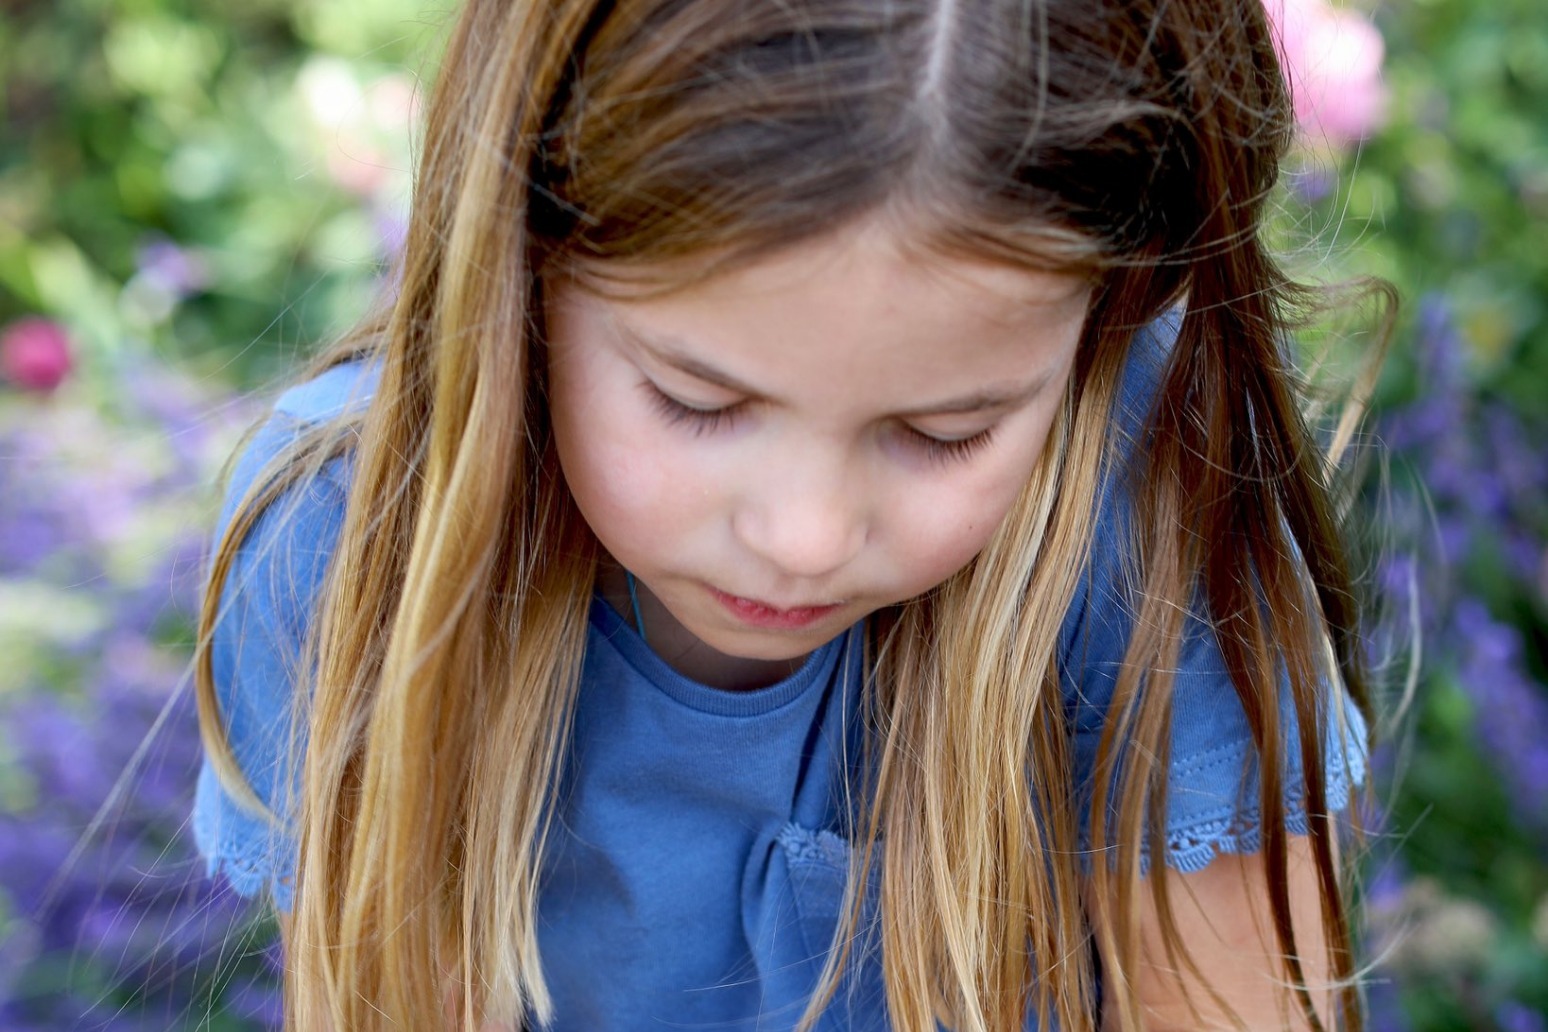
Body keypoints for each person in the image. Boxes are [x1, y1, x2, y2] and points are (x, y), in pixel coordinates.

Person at [191, 0, 1381, 1029]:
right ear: (523, 267)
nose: (806, 537)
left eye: (944, 431)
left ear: (1110, 315)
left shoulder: (1144, 501)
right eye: (697, 400)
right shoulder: (346, 545)